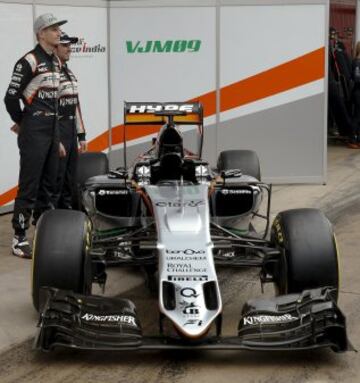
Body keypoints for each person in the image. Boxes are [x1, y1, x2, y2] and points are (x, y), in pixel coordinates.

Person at [4, 14, 67, 258]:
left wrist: (58, 137)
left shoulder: (55, 62)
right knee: (29, 185)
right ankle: (19, 238)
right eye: (53, 29)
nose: (58, 33)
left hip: (52, 130)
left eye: (59, 29)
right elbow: (10, 97)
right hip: (34, 130)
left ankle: (43, 231)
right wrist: (23, 122)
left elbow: (56, 104)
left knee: (49, 185)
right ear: (41, 33)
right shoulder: (28, 61)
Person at [53, 32, 87, 209]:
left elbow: (75, 105)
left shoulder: (69, 72)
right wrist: (55, 139)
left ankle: (66, 215)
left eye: (70, 45)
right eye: (65, 45)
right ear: (55, 48)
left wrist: (81, 135)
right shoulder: (50, 73)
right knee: (56, 178)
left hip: (71, 132)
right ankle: (50, 219)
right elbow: (47, 109)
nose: (69, 49)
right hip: (57, 130)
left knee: (69, 178)